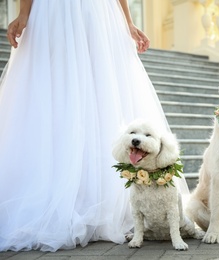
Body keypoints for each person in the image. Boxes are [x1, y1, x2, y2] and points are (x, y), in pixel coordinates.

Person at [0, 0, 189, 252]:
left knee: (103, 97)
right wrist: (24, 13)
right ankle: (61, 198)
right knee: (56, 95)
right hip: (55, 11)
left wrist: (129, 22)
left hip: (97, 12)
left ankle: (103, 203)